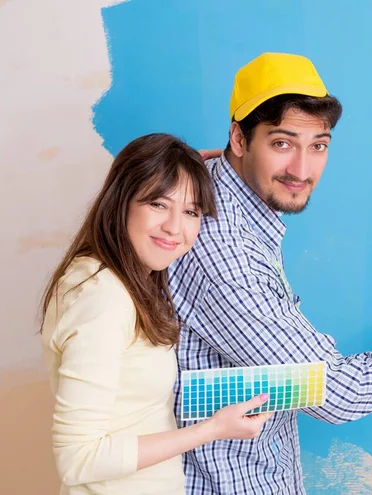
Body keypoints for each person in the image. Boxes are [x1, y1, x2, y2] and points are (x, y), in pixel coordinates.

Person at [168, 53, 372, 494]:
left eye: (318, 145)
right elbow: (336, 393)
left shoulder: (211, 181)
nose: (301, 169)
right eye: (282, 143)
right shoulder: (222, 253)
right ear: (238, 138)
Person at [40, 133, 272, 495]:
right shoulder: (103, 297)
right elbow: (78, 458)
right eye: (158, 205)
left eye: (192, 211)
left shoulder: (116, 279)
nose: (175, 228)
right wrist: (211, 430)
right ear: (122, 200)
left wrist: (184, 167)